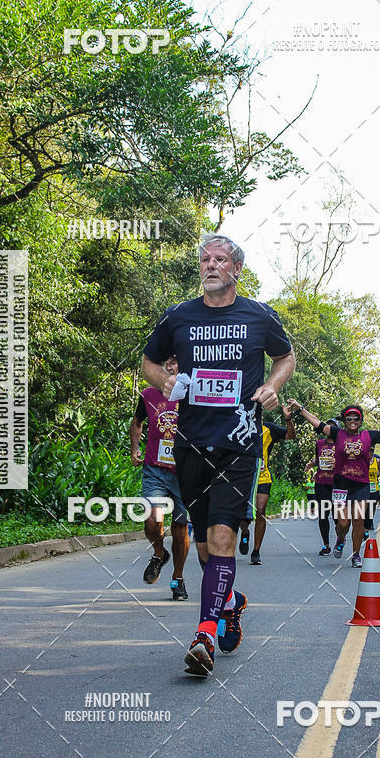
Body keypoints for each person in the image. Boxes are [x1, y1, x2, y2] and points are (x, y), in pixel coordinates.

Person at [142, 233, 295, 676]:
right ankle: (229, 602)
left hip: (239, 444)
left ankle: (204, 634)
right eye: (205, 259)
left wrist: (273, 385)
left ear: (236, 269)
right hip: (190, 445)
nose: (210, 265)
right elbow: (149, 362)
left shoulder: (259, 315)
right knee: (207, 550)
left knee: (224, 538)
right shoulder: (179, 316)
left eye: (220, 259)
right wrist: (164, 381)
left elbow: (286, 357)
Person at [289, 401, 380, 568]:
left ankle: (356, 554)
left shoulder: (368, 436)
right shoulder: (337, 434)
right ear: (344, 421)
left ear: (361, 421)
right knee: (343, 523)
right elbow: (317, 422)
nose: (353, 421)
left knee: (358, 521)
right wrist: (300, 408)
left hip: (360, 486)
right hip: (340, 485)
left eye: (356, 418)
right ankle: (340, 539)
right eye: (349, 418)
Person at [129, 356, 190, 599]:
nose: (170, 367)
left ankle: (178, 579)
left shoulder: (191, 395)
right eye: (166, 363)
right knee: (152, 522)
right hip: (155, 469)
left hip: (184, 472)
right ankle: (159, 553)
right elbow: (137, 422)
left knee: (180, 527)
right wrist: (135, 448)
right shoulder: (148, 395)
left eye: (175, 362)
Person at [239, 406, 295, 564]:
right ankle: (245, 532)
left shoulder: (268, 428)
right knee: (242, 516)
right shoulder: (238, 425)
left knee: (260, 511)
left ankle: (256, 551)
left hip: (263, 477)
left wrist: (288, 418)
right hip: (243, 478)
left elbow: (290, 435)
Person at [304, 419, 340, 556]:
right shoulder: (319, 443)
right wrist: (310, 464)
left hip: (337, 484)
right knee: (323, 515)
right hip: (322, 483)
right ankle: (326, 545)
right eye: (328, 427)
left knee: (337, 516)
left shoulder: (342, 444)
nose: (329, 429)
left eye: (333, 427)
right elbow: (317, 459)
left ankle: (340, 539)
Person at [364, 451, 380, 539]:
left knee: (371, 509)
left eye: (372, 450)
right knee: (363, 509)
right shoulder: (362, 459)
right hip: (363, 487)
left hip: (374, 488)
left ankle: (367, 529)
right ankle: (362, 527)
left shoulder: (378, 461)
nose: (370, 452)